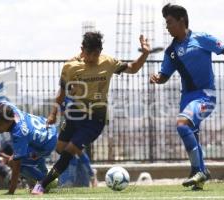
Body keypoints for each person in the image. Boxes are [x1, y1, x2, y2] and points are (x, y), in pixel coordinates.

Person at [31, 31, 150, 195]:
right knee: (60, 149)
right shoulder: (70, 66)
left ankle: (42, 185)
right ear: (82, 49)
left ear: (100, 51)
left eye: (96, 54)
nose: (93, 58)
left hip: (95, 120)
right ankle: (71, 170)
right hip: (74, 115)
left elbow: (133, 68)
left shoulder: (108, 62)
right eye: (90, 54)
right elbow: (62, 92)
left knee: (68, 152)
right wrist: (53, 114)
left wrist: (145, 54)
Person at [150, 4, 224, 190]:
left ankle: (198, 170)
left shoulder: (201, 38)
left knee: (182, 125)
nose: (167, 27)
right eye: (166, 23)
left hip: (206, 96)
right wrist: (158, 78)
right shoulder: (171, 51)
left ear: (182, 20)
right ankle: (201, 175)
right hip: (187, 99)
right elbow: (164, 76)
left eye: (169, 22)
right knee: (192, 136)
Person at [0, 101, 58, 194]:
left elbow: (16, 166)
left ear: (9, 122)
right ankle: (42, 176)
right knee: (27, 153)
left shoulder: (19, 134)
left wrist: (11, 191)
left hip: (48, 142)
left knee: (12, 161)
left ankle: (44, 181)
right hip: (47, 129)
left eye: (0, 124)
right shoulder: (11, 110)